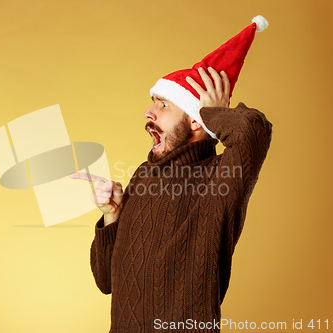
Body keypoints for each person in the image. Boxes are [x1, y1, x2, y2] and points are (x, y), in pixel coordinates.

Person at [70, 16, 272, 332]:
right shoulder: (143, 176)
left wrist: (213, 113)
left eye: (162, 105)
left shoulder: (221, 178)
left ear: (195, 121)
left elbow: (253, 131)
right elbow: (106, 281)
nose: (148, 114)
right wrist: (112, 216)